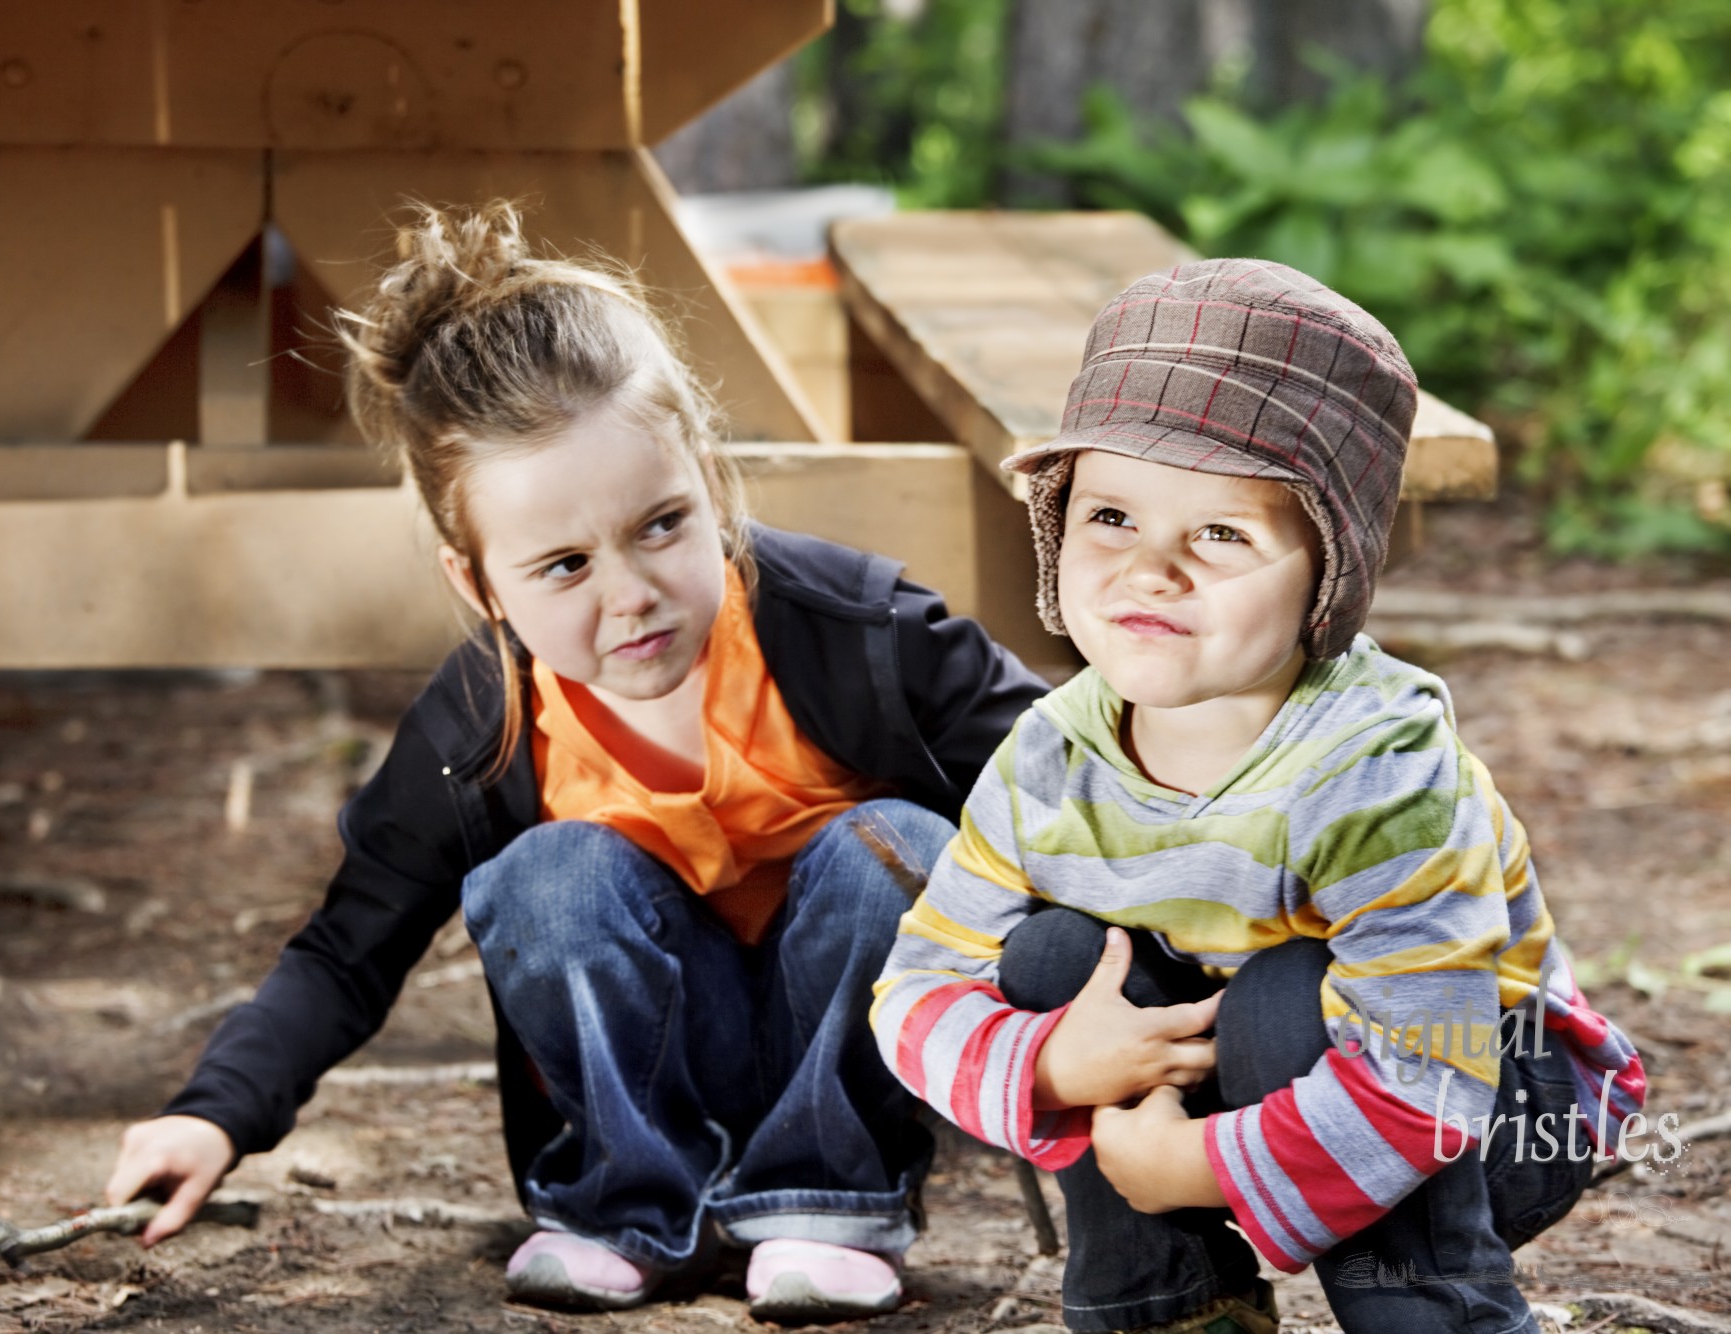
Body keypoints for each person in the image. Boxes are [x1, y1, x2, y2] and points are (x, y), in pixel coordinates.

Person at [101, 202, 1048, 1320]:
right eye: (560, 565)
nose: (629, 595)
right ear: (477, 581)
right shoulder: (479, 729)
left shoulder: (859, 632)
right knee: (547, 874)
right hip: (630, 1085)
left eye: (659, 524)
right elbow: (344, 951)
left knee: (894, 846)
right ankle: (629, 1205)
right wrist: (213, 1111)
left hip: (844, 1056)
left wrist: (1134, 1007)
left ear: (707, 473)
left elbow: (1074, 793)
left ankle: (825, 1201)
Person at [872, 259, 1648, 1334]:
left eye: (1219, 532)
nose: (1148, 571)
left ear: (1326, 570)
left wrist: (1193, 1159)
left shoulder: (1376, 765)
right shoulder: (1051, 755)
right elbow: (912, 989)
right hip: (1230, 1087)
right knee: (1050, 960)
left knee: (1291, 991)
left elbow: (1429, 1073)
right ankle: (1173, 1305)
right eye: (1109, 515)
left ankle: (1432, 1308)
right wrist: (1052, 1059)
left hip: (1480, 1114)